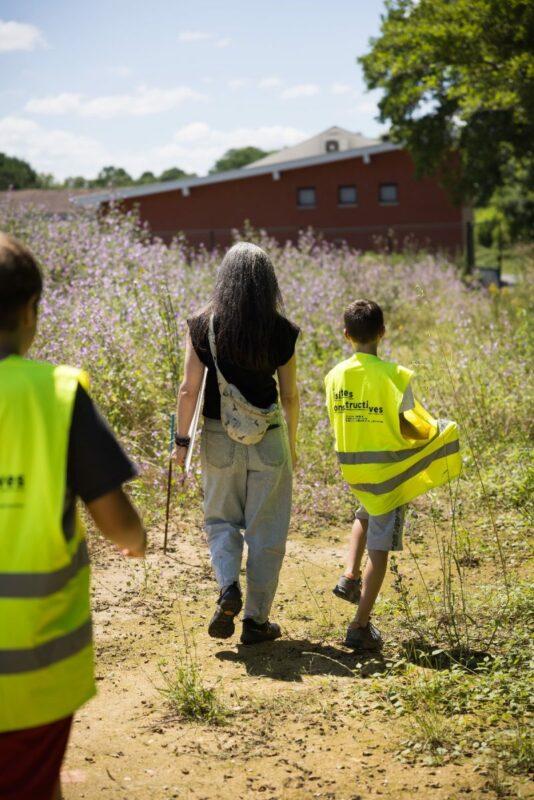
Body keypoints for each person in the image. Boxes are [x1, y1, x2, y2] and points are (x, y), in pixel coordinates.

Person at [0, 233, 147, 800]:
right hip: (34, 676)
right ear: (30, 311)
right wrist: (135, 538)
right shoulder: (56, 393)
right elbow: (115, 520)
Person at [174, 242, 299, 645]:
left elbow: (188, 390)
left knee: (220, 520)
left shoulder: (202, 325)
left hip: (218, 435)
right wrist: (291, 444)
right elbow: (290, 395)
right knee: (268, 532)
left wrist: (181, 443)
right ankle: (256, 622)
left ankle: (228, 587)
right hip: (269, 438)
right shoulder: (281, 330)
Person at [325, 299, 460, 651]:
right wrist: (433, 433)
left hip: (354, 469)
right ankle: (359, 625)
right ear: (382, 332)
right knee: (380, 548)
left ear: (346, 334)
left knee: (364, 514)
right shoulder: (395, 376)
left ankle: (349, 574)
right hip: (388, 472)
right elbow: (406, 427)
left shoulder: (334, 376)